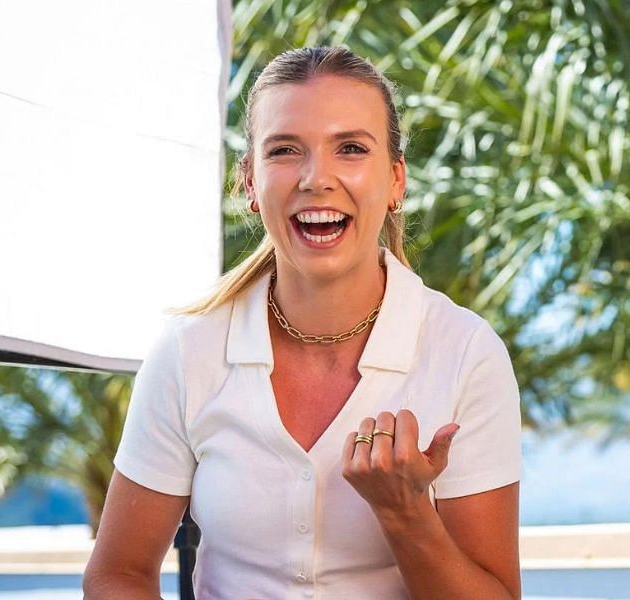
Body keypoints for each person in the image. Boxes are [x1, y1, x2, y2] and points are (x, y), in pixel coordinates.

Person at [83, 47, 522, 599]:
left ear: (395, 181)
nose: (317, 178)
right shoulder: (188, 350)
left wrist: (405, 513)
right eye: (285, 150)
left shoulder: (465, 354)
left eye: (351, 149)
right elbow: (117, 574)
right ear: (249, 181)